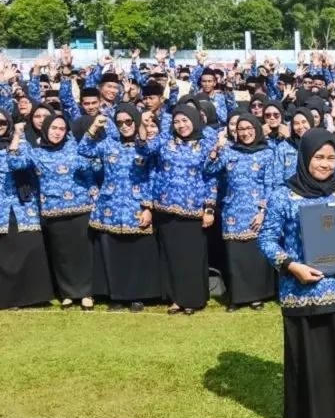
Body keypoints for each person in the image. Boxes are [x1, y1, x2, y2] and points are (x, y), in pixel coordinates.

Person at [257, 128, 335, 418]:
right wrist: (292, 266)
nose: (325, 164)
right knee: (310, 364)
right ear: (305, 157)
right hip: (301, 293)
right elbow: (266, 239)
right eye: (319, 157)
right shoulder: (283, 194)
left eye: (331, 158)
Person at [77, 106, 161, 312]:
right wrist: (94, 127)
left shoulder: (146, 146)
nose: (124, 126)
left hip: (136, 205)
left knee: (136, 253)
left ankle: (137, 296)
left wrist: (148, 207)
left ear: (135, 121)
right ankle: (115, 295)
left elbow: (152, 177)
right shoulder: (107, 144)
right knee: (111, 251)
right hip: (110, 206)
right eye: (120, 122)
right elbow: (84, 150)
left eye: (128, 121)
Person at [8, 114, 96, 311]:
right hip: (53, 210)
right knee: (61, 253)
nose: (57, 132)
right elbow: (15, 163)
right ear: (45, 129)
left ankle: (86, 293)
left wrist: (93, 190)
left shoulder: (74, 148)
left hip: (81, 207)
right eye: (53, 128)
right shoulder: (37, 152)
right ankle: (67, 293)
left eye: (61, 129)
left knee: (83, 252)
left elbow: (89, 169)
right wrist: (17, 136)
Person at [137, 105, 218, 315]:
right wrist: (143, 125)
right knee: (171, 255)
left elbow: (211, 177)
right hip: (165, 208)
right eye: (177, 121)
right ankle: (175, 299)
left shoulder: (205, 143)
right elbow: (144, 149)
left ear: (194, 119)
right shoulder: (165, 139)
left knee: (191, 256)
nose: (181, 125)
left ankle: (192, 298)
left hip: (193, 209)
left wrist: (209, 208)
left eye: (185, 120)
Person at [204, 114, 280, 312]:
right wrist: (217, 148)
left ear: (256, 129)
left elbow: (271, 184)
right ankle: (237, 297)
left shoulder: (267, 153)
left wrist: (263, 211)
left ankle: (256, 296)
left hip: (256, 211)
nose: (245, 133)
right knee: (235, 255)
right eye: (241, 129)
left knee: (254, 255)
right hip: (232, 211)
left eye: (249, 129)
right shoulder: (229, 152)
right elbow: (209, 169)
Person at [0, 110, 52, 310]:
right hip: (2, 206)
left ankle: (32, 296)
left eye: (3, 121)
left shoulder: (21, 143)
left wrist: (16, 139)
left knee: (29, 247)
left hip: (24, 204)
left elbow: (28, 166)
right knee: (5, 252)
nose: (0, 125)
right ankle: (7, 298)